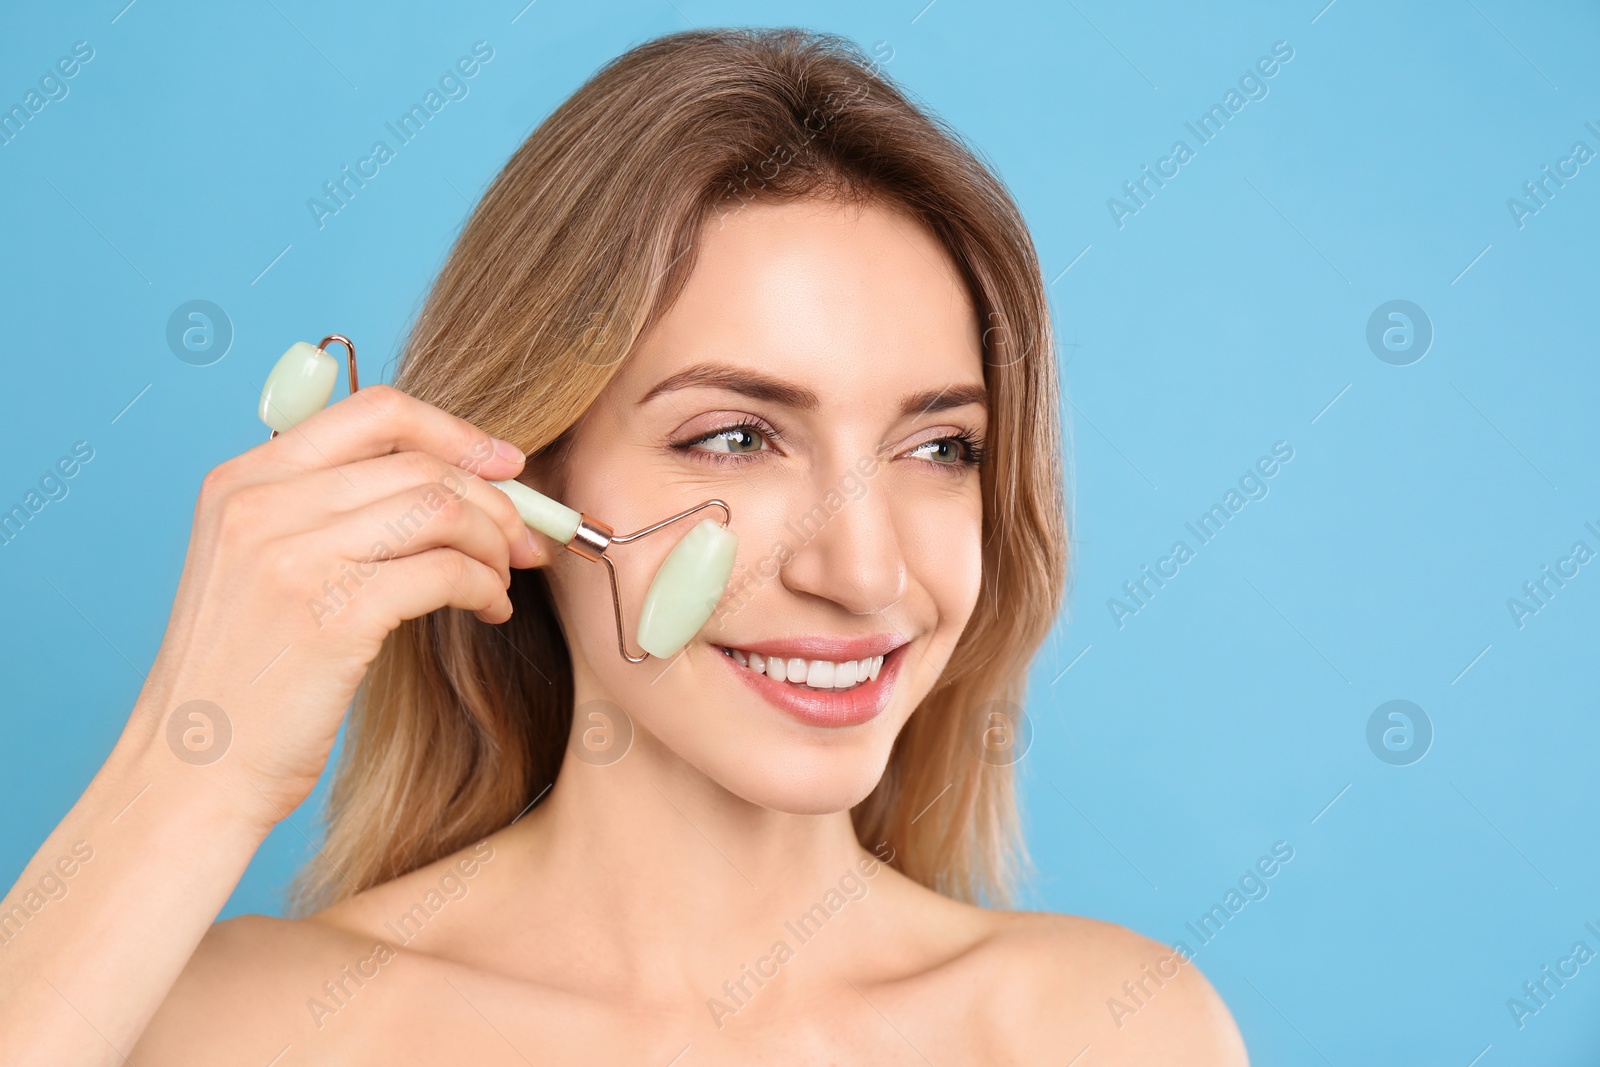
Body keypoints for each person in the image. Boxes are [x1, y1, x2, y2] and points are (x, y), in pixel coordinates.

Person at [0, 27, 1247, 1063]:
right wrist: (193, 763)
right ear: (527, 475)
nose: (864, 573)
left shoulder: (1109, 1028)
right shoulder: (228, 1025)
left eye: (939, 448)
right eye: (736, 436)